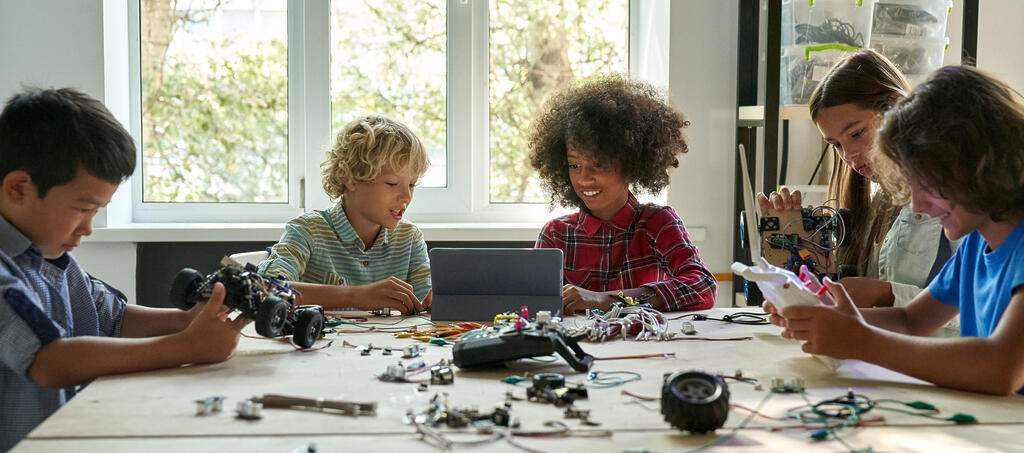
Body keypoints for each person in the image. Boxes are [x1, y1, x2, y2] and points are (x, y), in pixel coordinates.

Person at [0, 88, 249, 450]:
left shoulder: (50, 256)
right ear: (19, 188)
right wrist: (188, 346)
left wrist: (189, 320)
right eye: (83, 208)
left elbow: (114, 319)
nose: (88, 228)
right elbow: (48, 360)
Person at [767, 66, 1024, 396]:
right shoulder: (977, 243)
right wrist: (822, 317)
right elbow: (910, 320)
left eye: (927, 181)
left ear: (978, 161)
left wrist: (860, 340)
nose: (916, 206)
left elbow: (1001, 368)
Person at [758, 50, 958, 319]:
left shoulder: (959, 192)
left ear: (896, 108)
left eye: (856, 133)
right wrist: (803, 264)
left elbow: (981, 307)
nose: (849, 155)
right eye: (837, 145)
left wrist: (886, 294)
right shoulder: (876, 202)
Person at [529, 74, 717, 314]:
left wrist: (608, 300)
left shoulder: (658, 224)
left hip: (646, 348)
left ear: (631, 164)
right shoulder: (556, 235)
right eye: (574, 165)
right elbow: (535, 306)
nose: (584, 178)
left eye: (599, 164)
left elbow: (703, 286)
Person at [258, 114, 431, 314]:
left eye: (411, 184)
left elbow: (424, 309)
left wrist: (437, 302)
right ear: (349, 178)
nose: (406, 196)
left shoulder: (409, 237)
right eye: (392, 184)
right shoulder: (308, 231)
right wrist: (355, 295)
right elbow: (265, 289)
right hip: (320, 345)